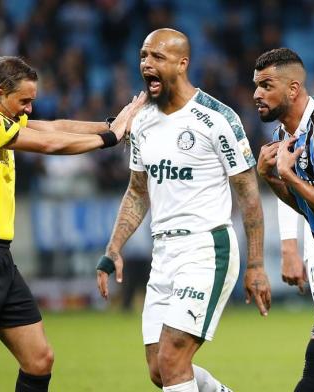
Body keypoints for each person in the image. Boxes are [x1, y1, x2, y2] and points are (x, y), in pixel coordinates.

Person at [0, 55, 145, 391]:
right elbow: (48, 143)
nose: (28, 109)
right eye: (23, 101)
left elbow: (53, 127)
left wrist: (114, 123)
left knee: (39, 360)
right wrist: (109, 139)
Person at [97, 28, 271, 392]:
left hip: (206, 249)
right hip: (164, 253)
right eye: (144, 56)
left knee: (174, 360)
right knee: (159, 370)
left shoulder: (216, 119)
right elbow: (137, 191)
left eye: (157, 57)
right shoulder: (142, 120)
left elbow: (249, 193)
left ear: (182, 63)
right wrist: (114, 247)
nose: (147, 64)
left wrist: (255, 264)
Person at [255, 47, 314, 392]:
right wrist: (273, 178)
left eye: (266, 85)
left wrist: (287, 176)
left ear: (292, 89)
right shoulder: (284, 138)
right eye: (256, 85)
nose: (256, 94)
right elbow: (307, 207)